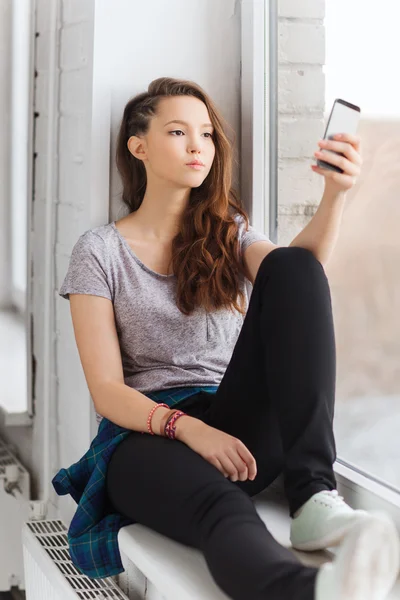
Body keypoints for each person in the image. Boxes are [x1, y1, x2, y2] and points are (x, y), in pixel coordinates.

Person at [52, 77, 400, 599]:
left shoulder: (228, 231)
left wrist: (335, 194)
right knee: (224, 509)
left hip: (236, 424)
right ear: (138, 145)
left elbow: (297, 278)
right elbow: (107, 392)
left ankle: (313, 497)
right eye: (178, 132)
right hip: (145, 439)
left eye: (208, 135)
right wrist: (190, 430)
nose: (198, 146)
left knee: (293, 266)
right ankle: (314, 593)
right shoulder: (99, 251)